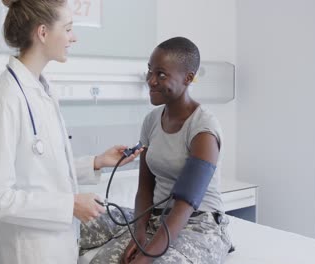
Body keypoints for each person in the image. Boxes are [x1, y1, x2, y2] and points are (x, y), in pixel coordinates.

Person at [0, 0, 141, 263]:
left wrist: (96, 162)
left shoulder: (43, 89)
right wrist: (71, 205)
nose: (73, 38)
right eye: (67, 29)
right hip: (29, 252)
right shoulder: (4, 98)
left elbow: (40, 170)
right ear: (42, 33)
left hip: (59, 245)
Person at [88, 37, 232, 264]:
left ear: (188, 78)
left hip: (199, 224)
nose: (151, 81)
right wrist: (139, 232)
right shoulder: (151, 121)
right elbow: (145, 187)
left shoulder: (203, 129)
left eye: (161, 74)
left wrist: (148, 255)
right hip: (157, 219)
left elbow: (185, 203)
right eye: (149, 71)